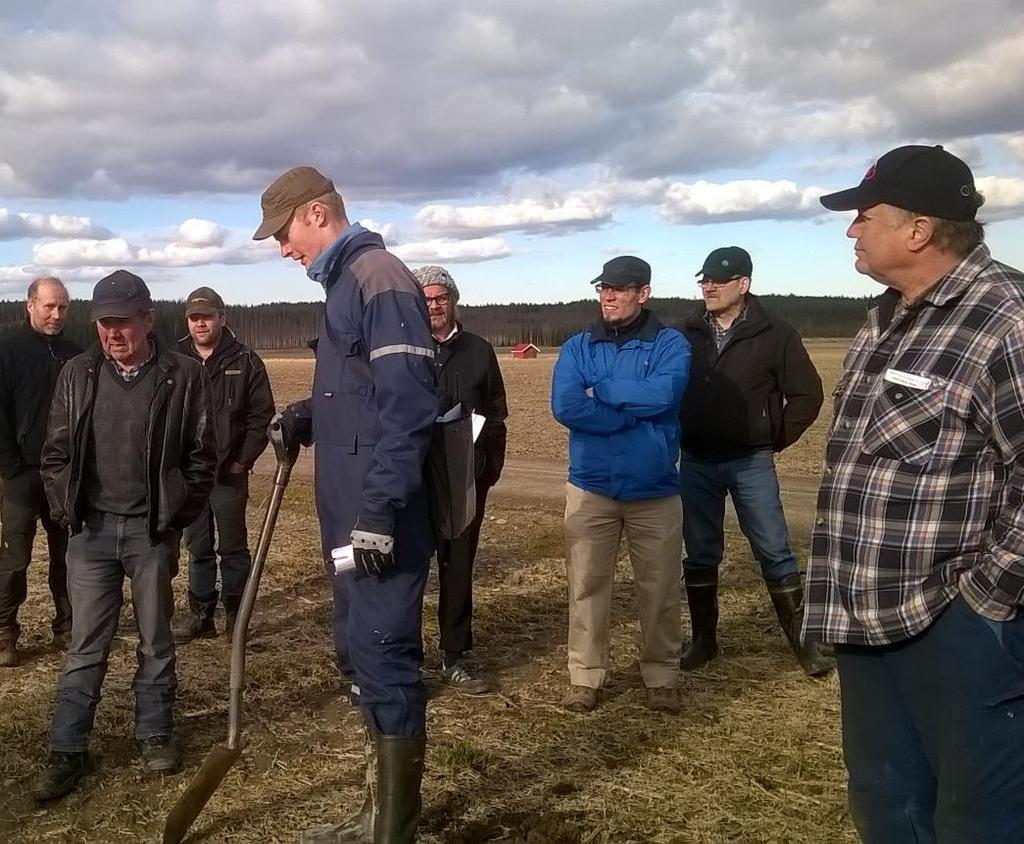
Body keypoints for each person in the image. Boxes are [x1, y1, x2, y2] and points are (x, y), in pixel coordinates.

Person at [807, 144, 1024, 841]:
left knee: (976, 819)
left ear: (919, 229)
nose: (851, 231)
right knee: (886, 802)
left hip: (956, 630)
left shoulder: (1007, 322)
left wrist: (984, 600)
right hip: (864, 620)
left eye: (863, 216)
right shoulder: (885, 318)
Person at [254, 166, 437, 843]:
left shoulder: (378, 277)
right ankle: (376, 812)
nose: (282, 249)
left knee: (384, 649)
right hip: (350, 509)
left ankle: (395, 827)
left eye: (284, 233)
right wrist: (310, 414)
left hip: (377, 513)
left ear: (316, 213)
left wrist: (383, 510)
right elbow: (362, 393)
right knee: (360, 647)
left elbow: (409, 401)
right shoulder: (345, 284)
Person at [31, 270, 215, 801]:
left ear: (147, 319)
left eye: (122, 323)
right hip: (90, 532)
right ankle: (68, 751)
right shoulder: (78, 372)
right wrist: (67, 511)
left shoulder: (181, 375)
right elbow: (56, 451)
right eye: (104, 323)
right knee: (86, 645)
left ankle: (155, 732)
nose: (112, 333)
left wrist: (175, 517)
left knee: (157, 640)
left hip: (150, 532)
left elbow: (202, 457)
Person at [676, 247, 831, 677]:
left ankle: (805, 646)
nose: (708, 286)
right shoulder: (685, 333)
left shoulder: (775, 334)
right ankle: (704, 643)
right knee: (701, 552)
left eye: (718, 281)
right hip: (696, 461)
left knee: (775, 550)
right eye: (703, 279)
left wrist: (772, 437)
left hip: (750, 462)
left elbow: (807, 395)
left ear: (743, 285)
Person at [551, 256, 690, 714]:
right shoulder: (577, 347)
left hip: (655, 491)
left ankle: (662, 674)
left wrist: (604, 392)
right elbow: (567, 406)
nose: (607, 296)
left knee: (661, 587)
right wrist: (632, 410)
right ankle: (585, 676)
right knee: (588, 586)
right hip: (591, 489)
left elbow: (664, 394)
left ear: (643, 293)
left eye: (618, 288)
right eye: (602, 288)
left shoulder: (671, 344)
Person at [413, 265, 507, 694]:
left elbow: (497, 414)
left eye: (440, 297)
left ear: (453, 300)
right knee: (409, 570)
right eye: (426, 298)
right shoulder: (406, 348)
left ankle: (455, 654)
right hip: (412, 478)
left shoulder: (478, 351)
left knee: (457, 568)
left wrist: (487, 470)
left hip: (464, 479)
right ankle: (406, 659)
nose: (434, 305)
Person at [174, 286, 275, 642]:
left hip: (228, 476)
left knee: (233, 549)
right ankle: (201, 615)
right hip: (188, 477)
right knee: (197, 548)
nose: (200, 323)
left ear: (222, 318)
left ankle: (236, 616)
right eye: (194, 317)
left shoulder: (245, 361)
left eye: (207, 316)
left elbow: (261, 416)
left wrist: (241, 461)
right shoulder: (174, 359)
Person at [0, 277, 82, 666]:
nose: (56, 314)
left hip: (63, 476)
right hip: (20, 475)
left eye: (63, 307)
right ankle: (5, 634)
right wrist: (12, 465)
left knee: (66, 554)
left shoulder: (74, 354)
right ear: (30, 305)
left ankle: (68, 628)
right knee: (15, 559)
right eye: (49, 306)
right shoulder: (8, 353)